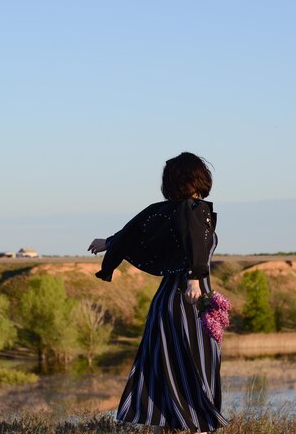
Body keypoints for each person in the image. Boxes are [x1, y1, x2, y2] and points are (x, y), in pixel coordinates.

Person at [88, 152, 227, 434]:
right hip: (188, 300)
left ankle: (171, 425)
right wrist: (195, 278)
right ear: (198, 177)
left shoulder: (167, 211)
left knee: (170, 365)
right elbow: (194, 250)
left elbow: (139, 233)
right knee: (194, 365)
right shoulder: (193, 210)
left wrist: (110, 242)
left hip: (169, 301)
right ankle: (196, 426)